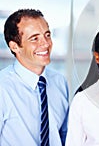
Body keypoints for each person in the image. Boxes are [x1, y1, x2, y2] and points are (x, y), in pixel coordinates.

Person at [0, 9, 69, 145]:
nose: (46, 43)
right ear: (15, 47)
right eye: (35, 38)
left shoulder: (60, 81)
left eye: (47, 35)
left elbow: (65, 135)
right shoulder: (2, 87)